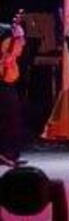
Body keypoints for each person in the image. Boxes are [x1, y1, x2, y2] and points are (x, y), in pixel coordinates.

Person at [0, 11, 25, 166]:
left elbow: (19, 48)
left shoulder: (5, 29)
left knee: (12, 114)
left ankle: (9, 152)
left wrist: (19, 36)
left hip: (7, 79)